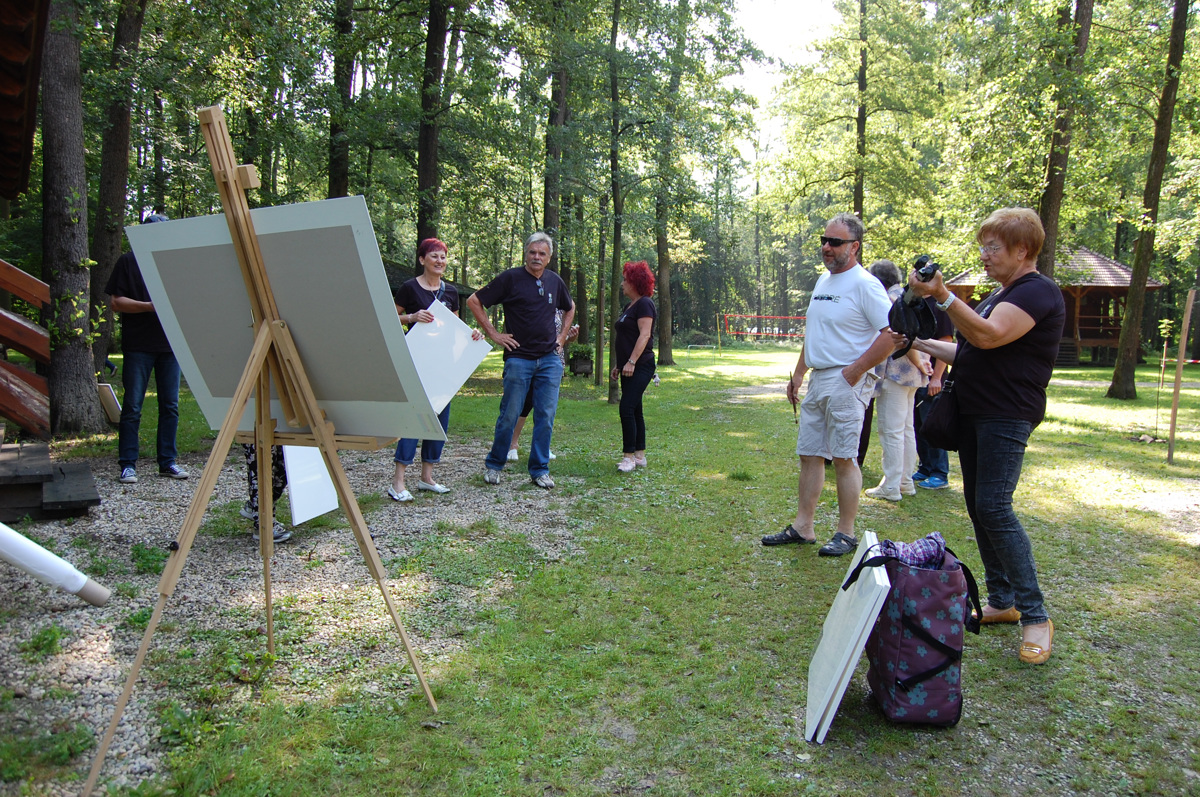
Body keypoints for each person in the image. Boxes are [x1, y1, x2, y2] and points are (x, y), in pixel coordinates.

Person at [902, 207, 1064, 665]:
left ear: (1023, 250)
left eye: (993, 247)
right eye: (983, 246)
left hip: (1006, 414)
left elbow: (990, 338)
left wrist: (944, 296)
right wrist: (915, 342)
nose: (985, 255)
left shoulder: (1037, 291)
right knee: (978, 504)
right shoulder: (1001, 294)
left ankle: (1035, 616)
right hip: (975, 411)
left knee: (994, 506)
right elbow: (970, 349)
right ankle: (1002, 601)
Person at [761, 213, 893, 556]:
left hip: (847, 379)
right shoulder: (823, 282)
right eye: (824, 240)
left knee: (845, 458)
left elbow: (892, 335)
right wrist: (799, 372)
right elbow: (815, 334)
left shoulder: (866, 284)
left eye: (835, 242)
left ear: (855, 246)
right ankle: (804, 527)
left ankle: (846, 533)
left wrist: (856, 370)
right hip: (819, 378)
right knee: (809, 454)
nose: (826, 247)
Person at [467, 232, 575, 489]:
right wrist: (494, 334)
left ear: (549, 258)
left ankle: (539, 470)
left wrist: (561, 338)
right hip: (518, 359)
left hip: (549, 359)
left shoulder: (555, 281)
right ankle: (494, 465)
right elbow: (474, 301)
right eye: (532, 252)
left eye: (542, 254)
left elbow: (569, 308)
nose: (536, 257)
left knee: (546, 416)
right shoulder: (510, 278)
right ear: (525, 253)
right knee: (510, 414)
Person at [388, 238, 483, 502]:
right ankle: (398, 482)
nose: (440, 261)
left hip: (443, 365)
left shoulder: (450, 291)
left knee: (439, 418)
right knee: (413, 418)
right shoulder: (408, 288)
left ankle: (427, 477)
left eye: (443, 257)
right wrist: (411, 317)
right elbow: (388, 319)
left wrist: (472, 333)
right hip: (416, 362)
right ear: (422, 260)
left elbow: (454, 324)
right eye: (434, 256)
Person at [105, 212, 189, 484]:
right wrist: (151, 307)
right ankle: (128, 464)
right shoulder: (128, 262)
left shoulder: (174, 263)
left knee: (170, 406)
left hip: (169, 345)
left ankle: (168, 462)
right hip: (138, 345)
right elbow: (116, 303)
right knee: (132, 406)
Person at [864, 260, 932, 502]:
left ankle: (891, 485)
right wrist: (921, 362)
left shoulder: (889, 301)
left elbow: (899, 337)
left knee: (891, 430)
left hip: (896, 371)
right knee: (906, 428)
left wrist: (916, 360)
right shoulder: (908, 296)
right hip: (914, 373)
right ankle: (905, 481)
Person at [508, 312, 578, 462]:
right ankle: (512, 445)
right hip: (531, 359)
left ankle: (542, 447)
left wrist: (570, 336)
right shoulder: (535, 303)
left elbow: (562, 338)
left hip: (553, 362)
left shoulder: (561, 310)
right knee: (525, 404)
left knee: (546, 408)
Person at [610, 260, 657, 473]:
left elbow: (645, 334)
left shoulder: (645, 304)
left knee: (626, 407)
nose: (622, 284)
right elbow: (627, 338)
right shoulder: (629, 306)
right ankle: (639, 456)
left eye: (625, 280)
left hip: (642, 365)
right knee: (636, 409)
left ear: (634, 282)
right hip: (628, 366)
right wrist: (620, 365)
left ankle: (627, 457)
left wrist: (631, 361)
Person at [913, 299, 955, 490]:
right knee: (919, 425)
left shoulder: (940, 306)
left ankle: (940, 472)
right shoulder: (915, 302)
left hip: (932, 378)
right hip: (915, 377)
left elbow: (946, 342)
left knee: (933, 425)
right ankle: (925, 467)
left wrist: (937, 378)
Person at [241, 444, 291, 543]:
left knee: (284, 464)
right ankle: (263, 524)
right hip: (256, 431)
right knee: (261, 466)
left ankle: (255, 507)